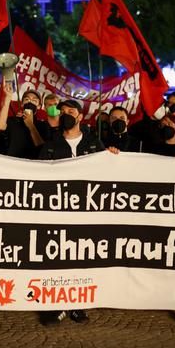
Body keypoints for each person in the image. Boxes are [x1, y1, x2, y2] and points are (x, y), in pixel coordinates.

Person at [38, 99, 104, 325]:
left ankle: (77, 305)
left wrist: (113, 157)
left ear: (80, 117)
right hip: (58, 213)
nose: (65, 114)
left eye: (71, 112)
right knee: (57, 258)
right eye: (62, 111)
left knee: (81, 258)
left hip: (87, 213)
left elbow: (108, 173)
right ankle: (56, 306)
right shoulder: (50, 146)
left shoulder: (95, 144)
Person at [0, 88, 44, 158]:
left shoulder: (42, 125)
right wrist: (7, 99)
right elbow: (0, 126)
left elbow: (42, 147)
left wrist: (31, 125)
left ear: (39, 106)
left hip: (32, 165)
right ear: (22, 104)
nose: (30, 102)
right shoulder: (13, 120)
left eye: (34, 100)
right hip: (11, 163)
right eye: (27, 99)